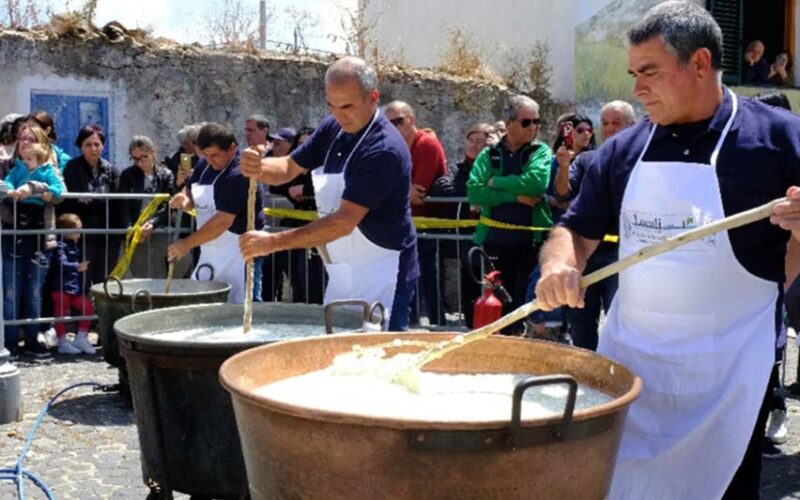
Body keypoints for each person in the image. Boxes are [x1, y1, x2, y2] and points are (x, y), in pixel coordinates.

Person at [535, 2, 800, 498]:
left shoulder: (778, 139)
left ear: (700, 63)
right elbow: (575, 230)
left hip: (729, 374)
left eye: (649, 72)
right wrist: (560, 265)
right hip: (634, 363)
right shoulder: (623, 150)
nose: (636, 89)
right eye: (633, 73)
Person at [238, 56, 419, 331]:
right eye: (331, 105)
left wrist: (271, 243)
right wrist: (258, 166)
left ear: (373, 98)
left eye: (347, 106)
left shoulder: (384, 150)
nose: (338, 115)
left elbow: (343, 222)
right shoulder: (332, 127)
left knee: (379, 360)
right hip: (341, 270)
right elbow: (288, 166)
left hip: (383, 273)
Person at [551, 102, 636, 350]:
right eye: (605, 124)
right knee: (582, 325)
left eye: (615, 123)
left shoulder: (642, 161)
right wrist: (564, 167)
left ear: (631, 126)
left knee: (621, 322)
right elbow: (562, 193)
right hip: (586, 254)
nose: (609, 129)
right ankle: (587, 382)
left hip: (622, 255)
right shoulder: (587, 159)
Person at [467, 95, 552, 333]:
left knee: (529, 310)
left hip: (531, 246)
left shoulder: (540, 151)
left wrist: (495, 182)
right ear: (509, 122)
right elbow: (474, 192)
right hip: (494, 244)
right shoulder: (489, 154)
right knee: (495, 311)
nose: (533, 128)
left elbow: (536, 183)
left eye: (537, 122)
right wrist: (514, 196)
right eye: (527, 122)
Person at [167, 122, 265, 304]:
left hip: (241, 251)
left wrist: (186, 244)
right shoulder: (205, 165)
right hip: (209, 250)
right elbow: (189, 190)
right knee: (203, 304)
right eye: (206, 155)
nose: (210, 160)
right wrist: (184, 200)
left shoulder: (239, 173)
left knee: (244, 304)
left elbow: (223, 220)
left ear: (232, 148)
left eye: (215, 155)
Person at [385, 100, 447, 325]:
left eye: (398, 121)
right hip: (405, 224)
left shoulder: (426, 144)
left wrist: (392, 190)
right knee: (405, 279)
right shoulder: (391, 146)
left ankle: (439, 325)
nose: (393, 127)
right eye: (388, 123)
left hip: (429, 225)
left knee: (429, 279)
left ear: (411, 120)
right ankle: (408, 324)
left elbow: (418, 193)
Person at [3, 142, 64, 358]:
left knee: (34, 290)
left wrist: (43, 191)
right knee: (11, 290)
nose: (26, 162)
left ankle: (31, 338)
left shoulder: (47, 171)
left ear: (40, 158)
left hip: (38, 228)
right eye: (24, 158)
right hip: (17, 227)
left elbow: (58, 190)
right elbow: (8, 181)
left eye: (30, 159)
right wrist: (10, 189)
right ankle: (9, 342)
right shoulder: (18, 169)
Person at [429, 122, 492, 327]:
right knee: (470, 276)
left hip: (493, 235)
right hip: (465, 237)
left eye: (480, 142)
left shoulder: (494, 169)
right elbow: (441, 187)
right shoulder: (459, 168)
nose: (474, 146)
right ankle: (469, 323)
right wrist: (472, 193)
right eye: (471, 140)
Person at [264, 126, 323, 304]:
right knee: (296, 275)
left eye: (307, 144)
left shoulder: (321, 168)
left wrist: (305, 189)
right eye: (300, 145)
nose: (302, 149)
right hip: (298, 227)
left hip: (322, 229)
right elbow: (276, 184)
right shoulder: (295, 168)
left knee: (313, 278)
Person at [60, 125, 121, 288]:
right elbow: (71, 201)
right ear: (81, 146)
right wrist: (95, 201)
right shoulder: (73, 168)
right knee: (82, 281)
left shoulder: (111, 170)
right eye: (88, 144)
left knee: (105, 283)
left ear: (103, 146)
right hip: (82, 235)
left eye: (97, 144)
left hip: (108, 235)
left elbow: (117, 202)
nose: (93, 149)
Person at [118, 136, 178, 279]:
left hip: (160, 231)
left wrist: (153, 223)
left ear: (153, 152)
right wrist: (129, 228)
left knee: (165, 273)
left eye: (144, 157)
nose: (140, 163)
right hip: (137, 233)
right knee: (141, 274)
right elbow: (123, 204)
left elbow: (168, 204)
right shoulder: (127, 175)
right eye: (135, 159)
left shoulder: (166, 174)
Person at [49, 213, 95, 355]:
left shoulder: (73, 245)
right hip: (60, 286)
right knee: (60, 314)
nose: (79, 235)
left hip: (73, 286)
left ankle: (81, 336)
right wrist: (77, 266)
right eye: (77, 231)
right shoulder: (60, 245)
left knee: (87, 308)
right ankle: (63, 341)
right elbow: (61, 263)